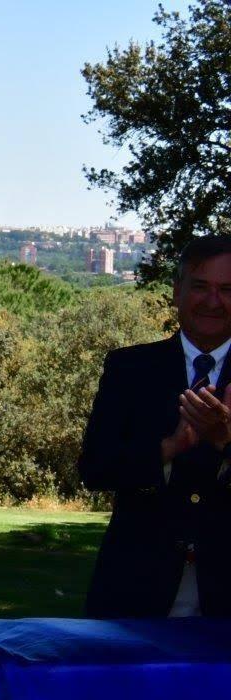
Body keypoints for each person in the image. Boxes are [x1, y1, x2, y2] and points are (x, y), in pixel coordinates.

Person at [80, 234, 231, 618]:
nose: (213, 301)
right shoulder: (129, 369)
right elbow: (95, 468)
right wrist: (168, 447)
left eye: (227, 289)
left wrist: (225, 444)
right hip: (135, 590)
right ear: (177, 291)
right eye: (200, 286)